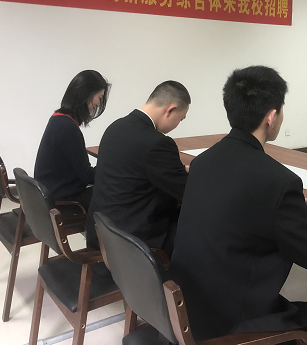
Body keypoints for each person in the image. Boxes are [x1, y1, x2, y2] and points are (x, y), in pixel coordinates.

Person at [170, 66, 307, 345]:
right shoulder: (278, 181)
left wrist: (284, 209)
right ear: (271, 116)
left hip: (188, 310)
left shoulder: (203, 162)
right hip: (231, 328)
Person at [86, 81, 190, 256]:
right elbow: (186, 191)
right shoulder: (158, 142)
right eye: (181, 119)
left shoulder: (115, 127)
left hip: (102, 231)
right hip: (133, 242)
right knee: (200, 219)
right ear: (170, 110)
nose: (178, 124)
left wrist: (178, 170)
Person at [34, 70, 110, 209]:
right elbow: (88, 176)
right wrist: (112, 167)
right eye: (99, 97)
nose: (99, 104)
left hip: (49, 194)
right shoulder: (68, 127)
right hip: (62, 201)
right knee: (115, 192)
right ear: (88, 94)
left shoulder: (58, 118)